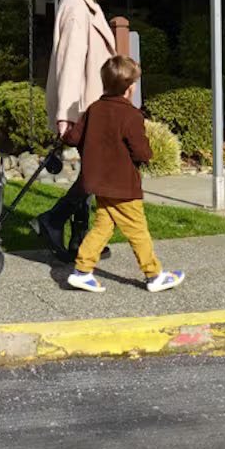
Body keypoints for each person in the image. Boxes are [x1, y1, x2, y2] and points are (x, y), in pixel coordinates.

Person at [66, 56, 185, 294]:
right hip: (123, 185)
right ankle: (154, 274)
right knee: (137, 229)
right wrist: (148, 154)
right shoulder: (131, 115)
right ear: (130, 88)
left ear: (104, 83)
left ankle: (82, 271)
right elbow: (141, 151)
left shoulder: (94, 110)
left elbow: (72, 138)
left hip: (98, 182)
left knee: (103, 227)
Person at [36, 0, 121, 259]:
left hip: (90, 105)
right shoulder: (76, 7)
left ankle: (80, 242)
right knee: (98, 172)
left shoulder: (87, 5)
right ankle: (53, 220)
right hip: (83, 106)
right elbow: (70, 62)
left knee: (93, 170)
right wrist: (67, 113)